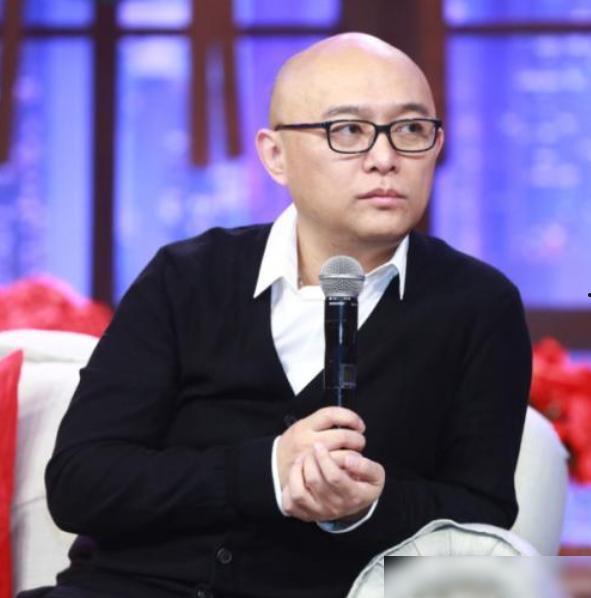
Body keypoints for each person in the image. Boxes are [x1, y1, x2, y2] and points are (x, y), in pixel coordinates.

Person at [30, 32, 531, 598]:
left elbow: (484, 524)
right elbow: (79, 483)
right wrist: (266, 471)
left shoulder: (479, 305)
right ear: (275, 155)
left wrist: (371, 507)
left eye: (412, 129)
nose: (385, 158)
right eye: (348, 130)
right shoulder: (186, 278)